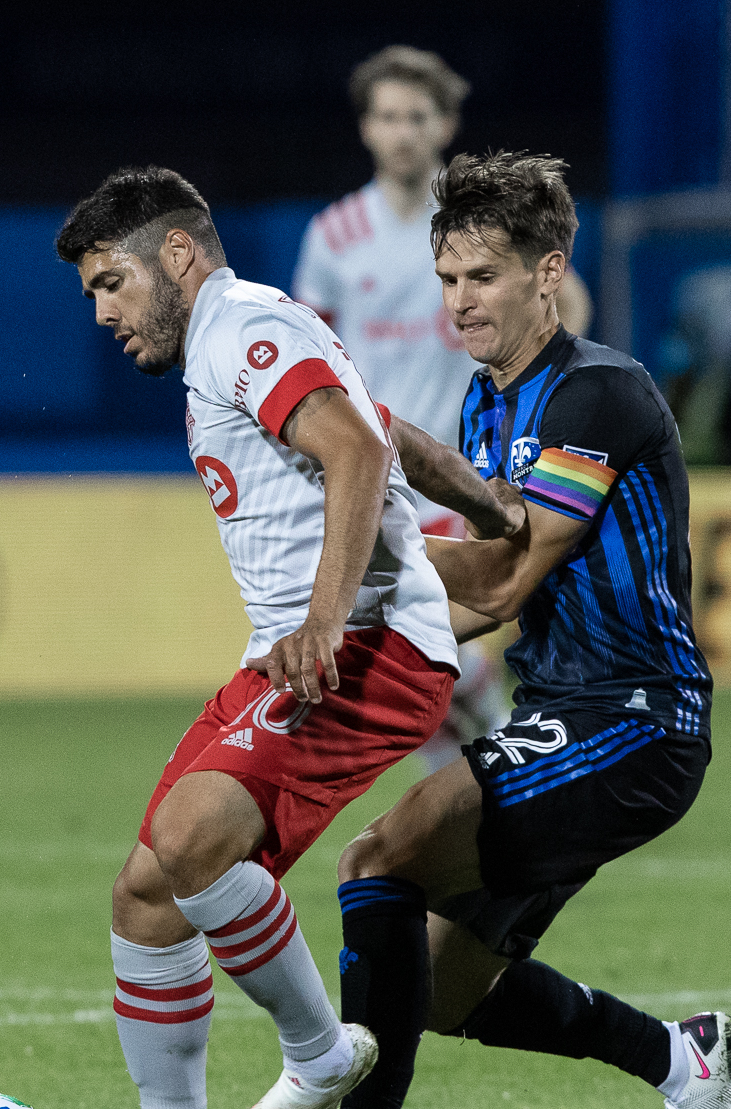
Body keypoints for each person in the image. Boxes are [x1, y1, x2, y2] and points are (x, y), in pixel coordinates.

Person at [223, 152, 731, 1109]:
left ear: (547, 274)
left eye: (483, 278)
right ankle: (677, 1061)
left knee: (381, 857)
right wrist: (340, 615)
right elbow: (459, 588)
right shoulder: (481, 407)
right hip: (554, 712)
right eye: (448, 277)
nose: (458, 302)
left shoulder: (597, 392)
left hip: (636, 716)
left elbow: (508, 575)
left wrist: (347, 591)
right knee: (441, 986)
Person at [46, 166, 512, 1109]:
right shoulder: (254, 337)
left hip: (362, 642)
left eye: (109, 282)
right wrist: (488, 506)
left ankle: (318, 1050)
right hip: (300, 646)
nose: (102, 311)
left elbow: (349, 451)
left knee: (193, 833)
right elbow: (383, 428)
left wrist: (319, 619)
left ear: (177, 255)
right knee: (147, 891)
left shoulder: (236, 326)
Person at [293, 46, 588, 775]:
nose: (401, 132)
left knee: (424, 641)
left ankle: (496, 754)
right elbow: (307, 351)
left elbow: (566, 300)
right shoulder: (333, 238)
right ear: (366, 128)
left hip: (465, 468)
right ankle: (488, 767)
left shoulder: (480, 228)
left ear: (445, 124)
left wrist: (570, 390)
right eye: (388, 117)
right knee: (413, 650)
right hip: (374, 470)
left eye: (415, 117)